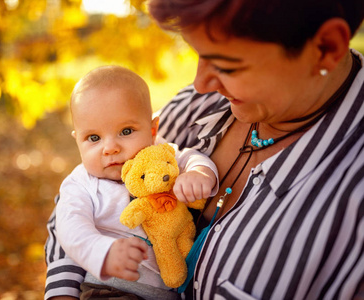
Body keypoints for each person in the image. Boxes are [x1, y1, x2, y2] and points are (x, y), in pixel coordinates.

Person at [45, 0, 364, 299]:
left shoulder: (351, 208)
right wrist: (66, 286)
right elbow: (75, 204)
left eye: (227, 65)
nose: (200, 83)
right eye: (198, 53)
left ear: (324, 48)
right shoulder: (198, 104)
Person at [54, 65, 218, 300]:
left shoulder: (159, 155)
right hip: (110, 290)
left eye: (126, 131)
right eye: (93, 138)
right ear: (77, 140)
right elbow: (71, 230)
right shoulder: (80, 184)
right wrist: (103, 252)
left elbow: (190, 156)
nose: (110, 147)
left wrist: (199, 173)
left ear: (153, 130)